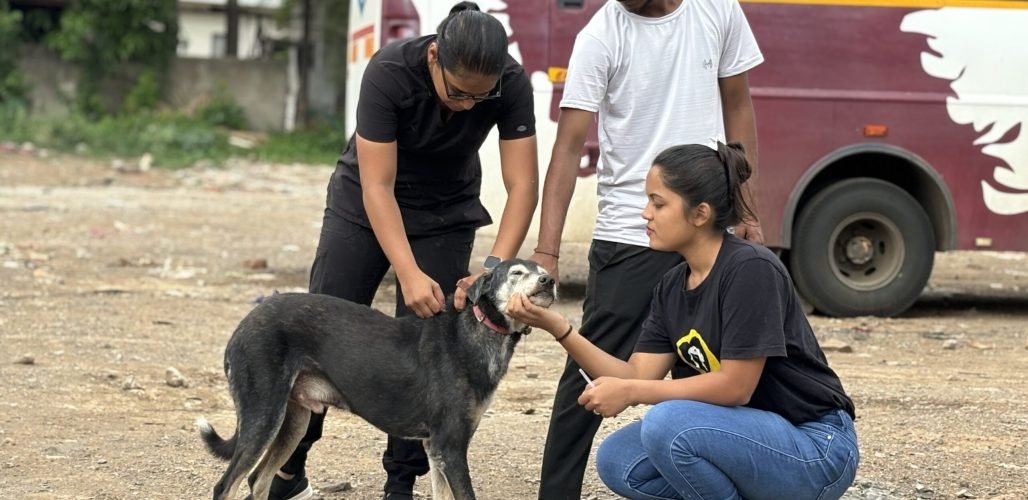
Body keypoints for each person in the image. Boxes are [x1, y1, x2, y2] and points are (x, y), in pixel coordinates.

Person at [263, 3, 539, 500]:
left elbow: (522, 186)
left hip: (446, 211)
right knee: (322, 330)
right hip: (363, 204)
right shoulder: (390, 71)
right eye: (458, 93)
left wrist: (492, 270)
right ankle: (289, 470)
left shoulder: (512, 83)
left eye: (482, 96)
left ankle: (401, 484)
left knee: (430, 351)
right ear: (434, 57)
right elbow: (377, 186)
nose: (468, 107)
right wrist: (407, 271)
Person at [511, 142, 859, 500]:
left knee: (668, 424)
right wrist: (558, 328)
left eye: (658, 203)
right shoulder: (672, 285)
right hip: (744, 438)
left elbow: (736, 387)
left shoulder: (750, 269)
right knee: (619, 460)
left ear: (700, 214)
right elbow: (635, 374)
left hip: (815, 446)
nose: (646, 213)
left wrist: (632, 393)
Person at [528, 1, 765, 498]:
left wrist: (746, 209)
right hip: (630, 234)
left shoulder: (717, 9)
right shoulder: (601, 35)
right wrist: (547, 250)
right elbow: (569, 146)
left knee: (713, 372)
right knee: (588, 372)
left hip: (707, 227)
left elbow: (739, 105)